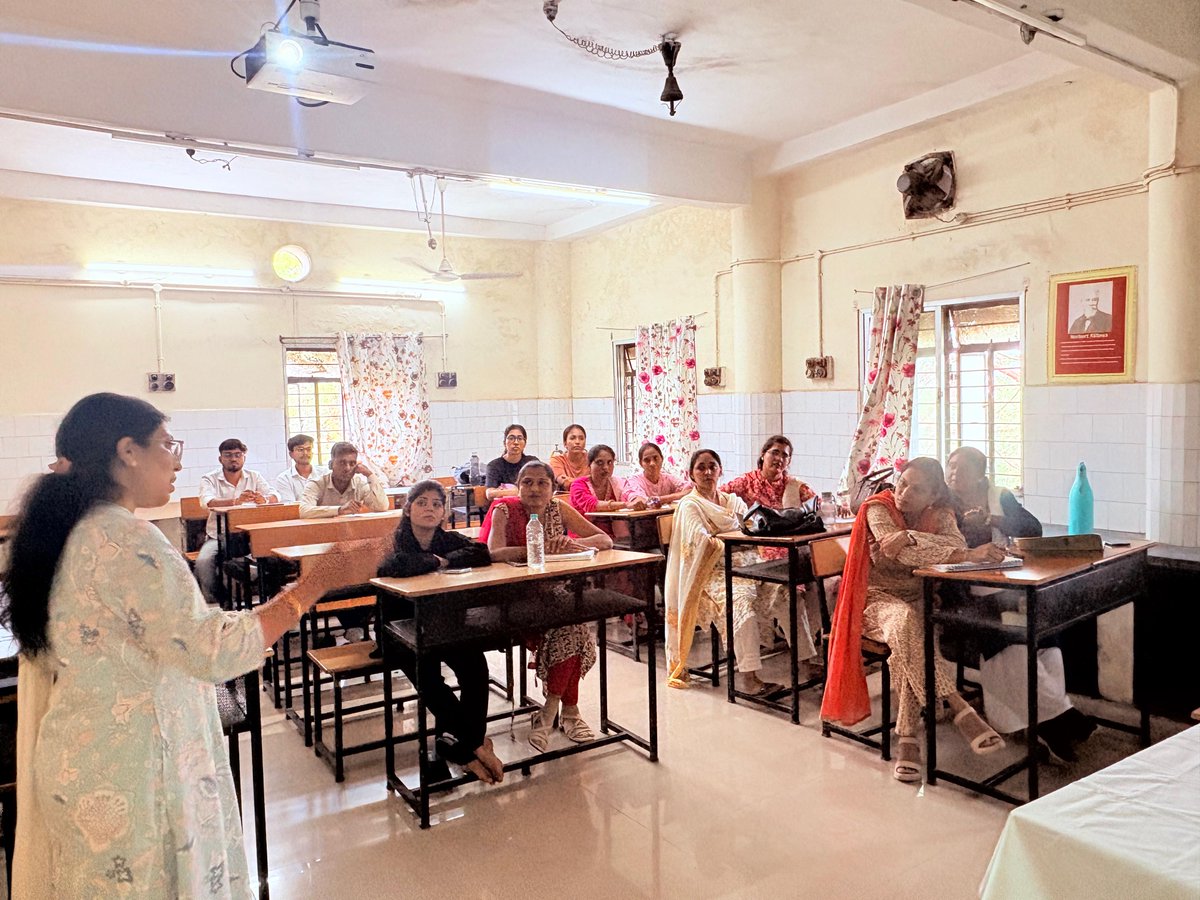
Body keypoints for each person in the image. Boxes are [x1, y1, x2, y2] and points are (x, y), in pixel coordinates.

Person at [0, 392, 378, 898]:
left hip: (90, 757)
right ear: (127, 451)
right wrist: (316, 582)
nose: (176, 459)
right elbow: (213, 651)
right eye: (166, 444)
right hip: (134, 774)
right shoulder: (128, 541)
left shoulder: (72, 531)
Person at [822, 457, 1007, 783]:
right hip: (872, 603)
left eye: (916, 489)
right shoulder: (876, 507)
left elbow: (955, 543)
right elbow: (899, 553)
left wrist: (907, 535)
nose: (903, 492)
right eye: (902, 483)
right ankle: (958, 706)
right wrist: (941, 549)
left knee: (910, 637)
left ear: (933, 497)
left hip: (919, 600)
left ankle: (907, 736)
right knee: (908, 626)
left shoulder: (941, 513)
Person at [946, 446, 1095, 760]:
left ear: (980, 475)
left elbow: (1032, 528)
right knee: (1009, 644)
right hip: (966, 593)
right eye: (951, 466)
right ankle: (1061, 719)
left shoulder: (999, 496)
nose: (955, 473)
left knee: (1047, 638)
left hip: (1010, 584)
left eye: (963, 468)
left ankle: (1044, 723)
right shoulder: (944, 503)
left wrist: (993, 518)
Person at [374, 480, 503, 784]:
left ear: (444, 512)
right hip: (398, 631)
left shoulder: (446, 540)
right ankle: (473, 747)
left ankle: (461, 745)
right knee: (430, 678)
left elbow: (481, 552)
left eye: (436, 504)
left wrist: (442, 559)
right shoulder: (394, 541)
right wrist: (436, 562)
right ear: (407, 509)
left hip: (443, 626)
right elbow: (394, 566)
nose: (429, 509)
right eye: (421, 503)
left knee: (475, 666)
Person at [480, 461, 613, 750]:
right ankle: (568, 713)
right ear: (517, 486)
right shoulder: (504, 509)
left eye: (542, 483)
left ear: (553, 488)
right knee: (571, 622)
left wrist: (570, 543)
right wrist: (535, 547)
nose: (535, 489)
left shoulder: (559, 509)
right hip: (514, 597)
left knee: (571, 623)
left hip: (556, 593)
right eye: (527, 482)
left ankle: (551, 711)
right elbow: (493, 553)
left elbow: (604, 539)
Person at [722, 435, 822, 690]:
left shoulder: (793, 485)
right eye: (775, 452)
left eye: (785, 455)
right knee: (794, 592)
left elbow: (815, 505)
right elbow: (720, 497)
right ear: (763, 454)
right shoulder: (747, 482)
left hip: (790, 548)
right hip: (759, 550)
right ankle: (803, 658)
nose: (779, 459)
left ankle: (808, 658)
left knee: (821, 584)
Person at [663, 448, 761, 690]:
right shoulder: (690, 506)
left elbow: (753, 528)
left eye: (712, 467)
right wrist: (734, 537)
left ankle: (808, 660)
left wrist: (726, 535)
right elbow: (701, 543)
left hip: (748, 567)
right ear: (691, 474)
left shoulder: (732, 501)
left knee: (790, 594)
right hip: (709, 576)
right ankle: (750, 678)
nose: (707, 472)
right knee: (740, 604)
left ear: (720, 471)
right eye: (701, 468)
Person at [196, 438, 278, 605]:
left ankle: (270, 601)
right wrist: (235, 501)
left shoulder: (254, 476)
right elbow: (208, 501)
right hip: (220, 537)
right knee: (203, 561)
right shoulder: (209, 478)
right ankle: (220, 602)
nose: (233, 459)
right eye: (228, 455)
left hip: (250, 536)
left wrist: (265, 499)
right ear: (220, 459)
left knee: (275, 558)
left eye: (237, 455)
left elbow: (276, 496)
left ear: (244, 458)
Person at [568, 444, 646, 539]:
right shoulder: (578, 485)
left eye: (610, 462)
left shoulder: (617, 482)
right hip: (584, 538)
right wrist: (626, 505)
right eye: (600, 463)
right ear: (589, 465)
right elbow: (591, 505)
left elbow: (631, 492)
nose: (605, 467)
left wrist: (637, 500)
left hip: (614, 537)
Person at [299, 441, 388, 518]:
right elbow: (304, 511)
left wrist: (369, 474)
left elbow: (382, 507)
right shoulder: (317, 484)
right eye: (342, 463)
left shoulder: (359, 484)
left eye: (352, 463)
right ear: (331, 464)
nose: (347, 468)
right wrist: (339, 510)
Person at [623, 442, 691, 506]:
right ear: (641, 463)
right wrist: (675, 496)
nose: (652, 463)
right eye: (647, 460)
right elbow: (642, 502)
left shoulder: (667, 478)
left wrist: (660, 499)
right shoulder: (634, 481)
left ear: (662, 459)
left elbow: (689, 490)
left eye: (656, 458)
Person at [484, 424, 538, 500]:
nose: (516, 442)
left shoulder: (531, 462)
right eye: (511, 438)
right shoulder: (494, 465)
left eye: (520, 438)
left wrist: (506, 491)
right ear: (504, 443)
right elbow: (490, 494)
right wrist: (518, 491)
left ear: (525, 443)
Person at [275, 433, 328, 502]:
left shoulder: (325, 473)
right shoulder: (284, 478)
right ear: (291, 454)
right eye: (300, 449)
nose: (305, 453)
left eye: (308, 449)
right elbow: (290, 506)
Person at [549, 424, 589, 492]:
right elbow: (564, 482)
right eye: (572, 438)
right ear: (565, 443)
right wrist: (587, 482)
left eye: (581, 438)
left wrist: (570, 480)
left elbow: (599, 482)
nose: (577, 442)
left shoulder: (592, 459)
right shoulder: (556, 460)